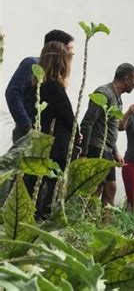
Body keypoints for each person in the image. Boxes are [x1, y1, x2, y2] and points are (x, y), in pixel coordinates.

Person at [80, 63, 134, 206]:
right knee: (97, 188)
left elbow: (110, 128)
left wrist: (115, 152)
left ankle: (106, 224)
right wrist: (83, 153)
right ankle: (89, 222)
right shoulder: (103, 93)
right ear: (126, 79)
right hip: (96, 147)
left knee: (110, 188)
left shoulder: (118, 98)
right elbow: (87, 123)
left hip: (107, 149)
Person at [5, 30, 74, 142]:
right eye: (69, 50)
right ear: (58, 49)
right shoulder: (32, 64)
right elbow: (13, 93)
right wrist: (26, 125)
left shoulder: (56, 75)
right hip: (29, 133)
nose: (71, 55)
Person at [33, 41, 77, 219]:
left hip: (43, 139)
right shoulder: (54, 87)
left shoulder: (39, 85)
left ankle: (37, 213)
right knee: (51, 182)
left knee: (38, 180)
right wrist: (78, 133)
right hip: (57, 143)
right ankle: (44, 215)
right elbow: (67, 116)